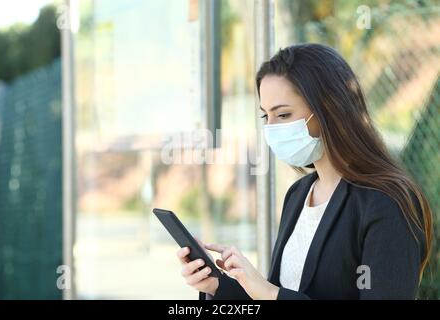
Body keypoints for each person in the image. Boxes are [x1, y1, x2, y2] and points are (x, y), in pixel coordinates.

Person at [176, 43, 433, 300]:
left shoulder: (385, 202)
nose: (272, 129)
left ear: (329, 109)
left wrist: (269, 292)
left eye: (284, 114)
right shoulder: (298, 194)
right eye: (267, 117)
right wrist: (216, 286)